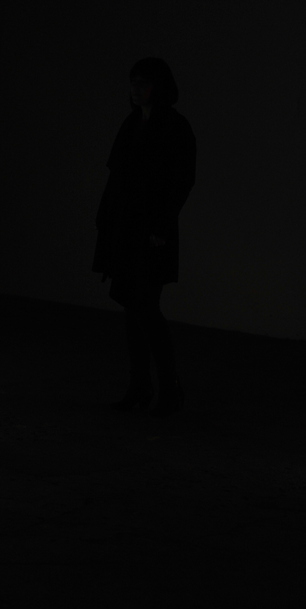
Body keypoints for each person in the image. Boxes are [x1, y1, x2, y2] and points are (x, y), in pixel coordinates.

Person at [93, 58, 196, 416]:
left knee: (145, 307)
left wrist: (160, 228)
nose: (136, 89)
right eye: (133, 82)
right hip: (127, 228)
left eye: (143, 82)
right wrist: (105, 220)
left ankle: (167, 389)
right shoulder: (132, 123)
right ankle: (142, 388)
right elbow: (117, 176)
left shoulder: (174, 127)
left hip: (151, 232)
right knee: (132, 306)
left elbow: (181, 182)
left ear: (159, 86)